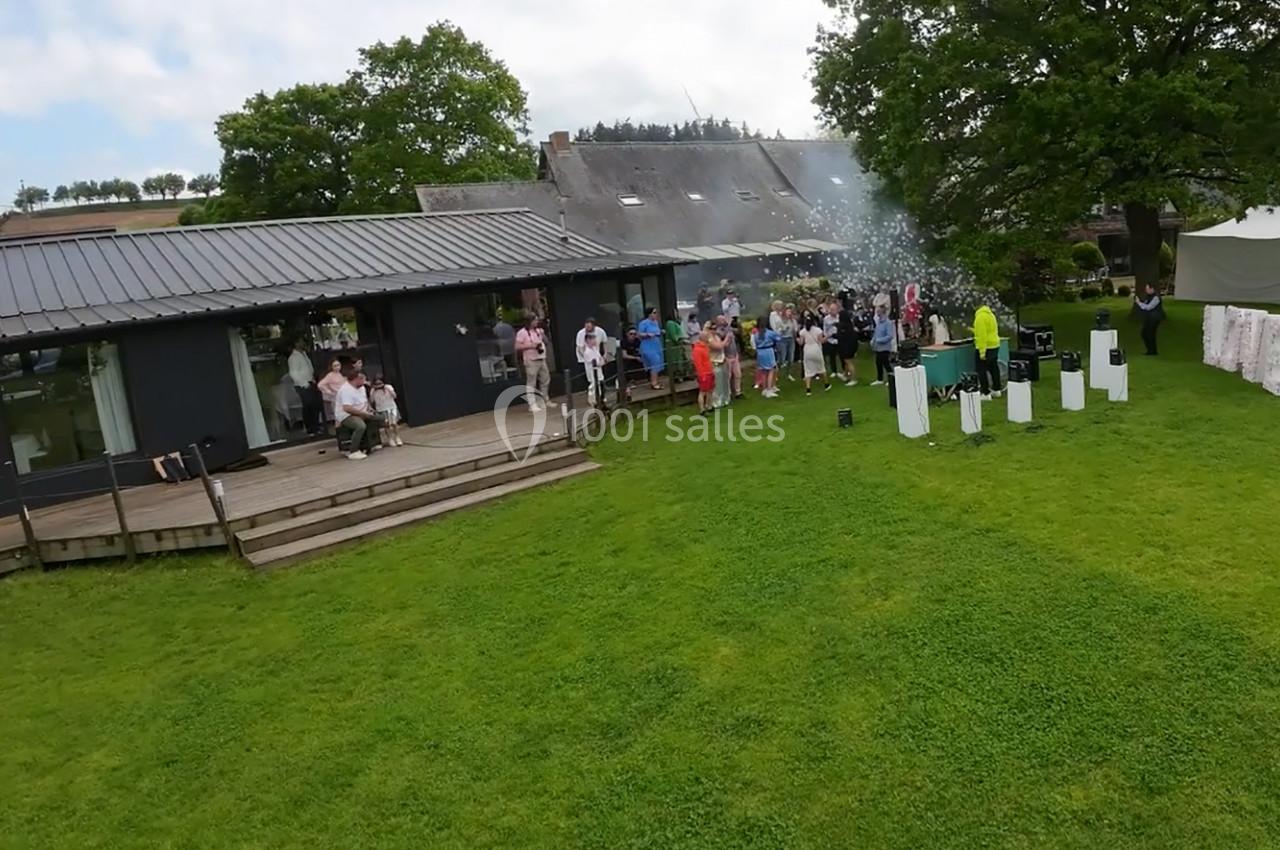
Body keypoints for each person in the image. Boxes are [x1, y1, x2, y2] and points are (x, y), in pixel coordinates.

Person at [334, 370, 381, 459]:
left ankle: (373, 443)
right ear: (355, 379)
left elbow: (364, 401)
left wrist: (370, 410)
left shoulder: (361, 387)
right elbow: (347, 408)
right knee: (360, 426)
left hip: (361, 411)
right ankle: (353, 451)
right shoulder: (346, 390)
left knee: (380, 418)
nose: (364, 380)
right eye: (362, 378)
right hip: (346, 415)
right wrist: (363, 414)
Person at [287, 340, 324, 436]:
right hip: (303, 385)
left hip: (310, 382)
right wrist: (303, 384)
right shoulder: (293, 358)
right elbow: (293, 373)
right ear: (296, 343)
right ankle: (310, 428)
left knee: (315, 405)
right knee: (308, 405)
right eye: (300, 342)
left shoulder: (303, 354)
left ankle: (316, 426)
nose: (303, 343)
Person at [515, 316, 551, 411]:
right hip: (531, 360)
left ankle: (544, 400)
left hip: (541, 358)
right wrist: (531, 345)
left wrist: (543, 335)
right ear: (529, 321)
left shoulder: (539, 331)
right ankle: (532, 404)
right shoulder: (522, 333)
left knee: (545, 379)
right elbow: (517, 346)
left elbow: (546, 342)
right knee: (532, 382)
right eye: (535, 320)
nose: (536, 322)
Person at [972, 301, 1002, 400]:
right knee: (994, 368)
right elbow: (989, 330)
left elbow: (982, 336)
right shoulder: (990, 315)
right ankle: (997, 389)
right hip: (994, 345)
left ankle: (985, 393)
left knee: (981, 370)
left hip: (986, 346)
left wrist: (982, 352)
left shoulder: (980, 317)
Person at [575, 318, 609, 407]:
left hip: (598, 371)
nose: (595, 341)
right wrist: (601, 361)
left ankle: (601, 397)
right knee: (593, 384)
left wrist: (604, 357)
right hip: (592, 370)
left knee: (600, 383)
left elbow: (604, 345)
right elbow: (593, 360)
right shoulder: (588, 351)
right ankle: (593, 399)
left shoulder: (595, 348)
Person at [797, 315, 832, 395]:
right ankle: (826, 384)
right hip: (816, 349)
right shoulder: (818, 330)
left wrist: (797, 339)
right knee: (821, 367)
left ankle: (808, 389)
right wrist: (827, 337)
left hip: (807, 349)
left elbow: (801, 343)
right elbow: (822, 341)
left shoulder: (802, 331)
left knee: (808, 369)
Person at [752, 314, 781, 398]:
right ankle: (769, 389)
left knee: (764, 371)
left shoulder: (756, 333)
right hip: (768, 351)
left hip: (760, 352)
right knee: (771, 369)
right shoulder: (769, 333)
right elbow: (778, 338)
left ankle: (764, 389)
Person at [368, 375, 403, 447]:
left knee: (394, 424)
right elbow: (372, 401)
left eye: (380, 383)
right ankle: (390, 438)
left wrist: (388, 389)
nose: (378, 385)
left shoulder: (388, 387)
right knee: (386, 425)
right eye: (376, 384)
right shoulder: (373, 390)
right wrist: (373, 391)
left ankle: (397, 437)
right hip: (381, 409)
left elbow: (395, 396)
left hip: (391, 407)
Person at [637, 306, 665, 390]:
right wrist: (647, 334)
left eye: (656, 313)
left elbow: (657, 332)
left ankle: (656, 380)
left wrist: (661, 332)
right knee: (654, 362)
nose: (656, 315)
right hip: (648, 346)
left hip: (656, 345)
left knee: (658, 362)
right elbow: (639, 334)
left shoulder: (656, 322)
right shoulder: (644, 323)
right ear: (649, 314)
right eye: (654, 313)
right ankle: (654, 383)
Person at [316, 358, 347, 430]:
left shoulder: (340, 374)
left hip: (344, 397)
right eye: (335, 366)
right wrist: (328, 391)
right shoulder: (330, 375)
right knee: (338, 417)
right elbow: (320, 385)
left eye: (338, 365)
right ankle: (339, 433)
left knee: (346, 416)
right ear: (332, 367)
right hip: (336, 398)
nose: (337, 367)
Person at [1135, 284, 1164, 355]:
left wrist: (1139, 303)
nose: (1146, 290)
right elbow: (1145, 305)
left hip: (1154, 318)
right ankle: (1151, 350)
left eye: (1147, 289)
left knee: (1149, 334)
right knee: (1145, 334)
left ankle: (1152, 351)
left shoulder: (1156, 298)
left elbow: (1148, 307)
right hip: (1149, 318)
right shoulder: (1149, 297)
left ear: (1152, 289)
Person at [691, 328, 715, 415]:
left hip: (709, 371)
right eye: (708, 336)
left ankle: (709, 405)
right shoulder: (697, 349)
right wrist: (701, 374)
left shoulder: (705, 347)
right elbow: (698, 364)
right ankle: (702, 409)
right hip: (704, 373)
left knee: (710, 390)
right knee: (703, 391)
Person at [708, 321, 730, 408]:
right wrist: (726, 338)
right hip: (714, 362)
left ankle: (725, 399)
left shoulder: (717, 336)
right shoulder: (709, 339)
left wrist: (728, 339)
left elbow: (724, 345)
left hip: (722, 359)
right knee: (717, 383)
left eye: (715, 328)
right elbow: (718, 346)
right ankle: (716, 402)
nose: (714, 330)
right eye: (712, 329)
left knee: (724, 382)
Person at [871, 305, 895, 386]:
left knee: (886, 363)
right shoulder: (878, 322)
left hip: (885, 347)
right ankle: (879, 379)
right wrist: (873, 340)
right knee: (878, 363)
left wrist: (879, 340)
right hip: (877, 347)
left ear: (882, 312)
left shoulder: (888, 323)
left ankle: (892, 378)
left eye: (878, 311)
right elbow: (876, 332)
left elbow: (890, 335)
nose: (877, 312)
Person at [836, 301, 859, 385]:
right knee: (847, 361)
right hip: (851, 346)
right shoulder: (850, 326)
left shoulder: (842, 327)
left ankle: (853, 379)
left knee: (848, 362)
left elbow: (840, 337)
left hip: (846, 347)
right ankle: (845, 375)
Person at [722, 316, 744, 399]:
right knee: (728, 376)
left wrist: (738, 323)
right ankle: (729, 393)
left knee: (738, 374)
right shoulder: (718, 331)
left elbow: (739, 332)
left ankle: (738, 392)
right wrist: (727, 334)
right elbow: (721, 335)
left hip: (735, 354)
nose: (725, 321)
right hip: (727, 356)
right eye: (723, 320)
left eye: (725, 319)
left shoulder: (729, 328)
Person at [665, 309, 690, 380]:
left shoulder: (675, 322)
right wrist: (682, 339)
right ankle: (677, 377)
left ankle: (683, 375)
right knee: (676, 362)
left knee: (682, 360)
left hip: (679, 346)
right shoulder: (670, 323)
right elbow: (674, 335)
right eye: (675, 313)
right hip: (674, 346)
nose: (677, 314)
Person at [777, 305, 799, 382]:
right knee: (782, 358)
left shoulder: (793, 321)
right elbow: (778, 331)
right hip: (782, 340)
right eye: (788, 312)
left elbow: (796, 330)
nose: (789, 313)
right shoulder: (780, 321)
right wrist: (783, 329)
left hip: (791, 340)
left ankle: (789, 374)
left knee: (791, 358)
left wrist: (795, 332)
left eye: (790, 312)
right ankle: (776, 371)